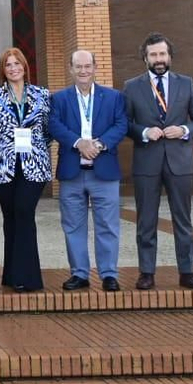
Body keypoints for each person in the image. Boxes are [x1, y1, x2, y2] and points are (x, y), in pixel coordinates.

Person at [122, 33, 193, 291]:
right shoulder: (132, 86)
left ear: (169, 56)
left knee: (182, 220)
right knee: (146, 221)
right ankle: (147, 273)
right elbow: (124, 123)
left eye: (162, 54)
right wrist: (143, 132)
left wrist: (184, 130)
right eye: (153, 55)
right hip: (146, 162)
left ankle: (187, 272)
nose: (158, 59)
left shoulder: (186, 83)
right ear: (145, 58)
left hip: (179, 162)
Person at [48, 49, 127, 292]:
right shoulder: (59, 99)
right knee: (73, 226)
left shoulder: (113, 97)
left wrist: (99, 144)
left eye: (87, 66)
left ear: (95, 68)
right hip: (72, 171)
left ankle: (109, 274)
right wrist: (78, 143)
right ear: (70, 69)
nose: (83, 71)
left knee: (108, 225)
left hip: (104, 171)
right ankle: (79, 273)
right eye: (78, 66)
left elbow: (121, 124)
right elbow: (54, 125)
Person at [0, 47, 52, 292]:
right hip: (3, 166)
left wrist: (34, 147)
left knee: (24, 211)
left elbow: (48, 131)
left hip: (34, 165)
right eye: (8, 64)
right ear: (2, 70)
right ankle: (11, 275)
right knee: (10, 217)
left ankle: (27, 276)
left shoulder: (42, 94)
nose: (13, 68)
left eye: (17, 63)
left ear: (25, 66)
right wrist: (3, 147)